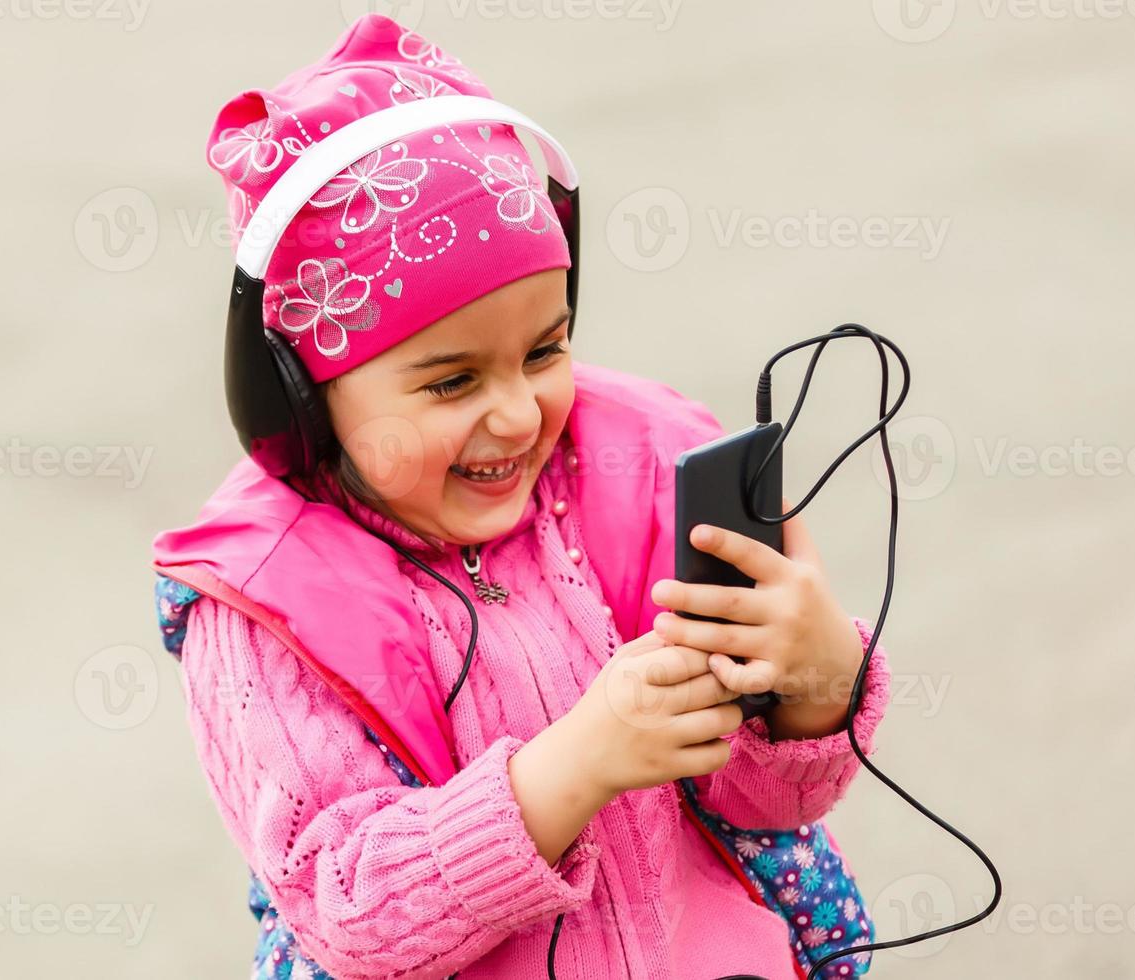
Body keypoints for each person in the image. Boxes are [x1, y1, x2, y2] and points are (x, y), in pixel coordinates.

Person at [152, 13, 891, 979]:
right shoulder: (270, 612)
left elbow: (773, 803)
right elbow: (348, 911)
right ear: (298, 396)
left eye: (544, 350)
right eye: (452, 382)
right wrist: (576, 765)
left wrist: (816, 681)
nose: (517, 416)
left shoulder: (650, 473)